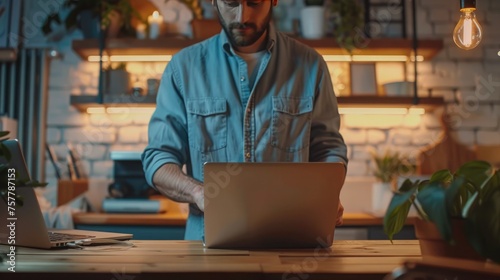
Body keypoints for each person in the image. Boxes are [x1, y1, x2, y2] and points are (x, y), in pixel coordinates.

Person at [142, 0, 348, 240]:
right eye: (231, 3)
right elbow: (158, 158)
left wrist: (327, 192)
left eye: (254, 3)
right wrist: (199, 193)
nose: (243, 16)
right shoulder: (183, 68)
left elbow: (328, 148)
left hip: (290, 246)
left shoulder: (311, 66)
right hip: (206, 250)